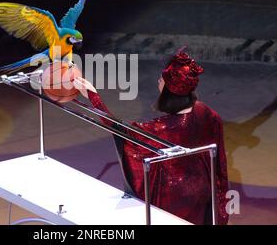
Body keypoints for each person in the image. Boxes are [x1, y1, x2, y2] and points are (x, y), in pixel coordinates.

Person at [73, 51, 229, 225]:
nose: (159, 81)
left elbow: (121, 133)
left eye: (162, 79)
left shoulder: (162, 127)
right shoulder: (205, 111)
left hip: (174, 197)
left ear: (171, 89)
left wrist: (93, 97)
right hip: (202, 191)